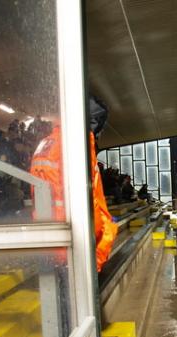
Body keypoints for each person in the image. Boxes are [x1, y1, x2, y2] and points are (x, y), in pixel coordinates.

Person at [30, 95, 117, 272]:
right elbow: (90, 196)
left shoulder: (47, 141)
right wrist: (102, 237)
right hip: (72, 232)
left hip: (46, 227)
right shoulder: (78, 142)